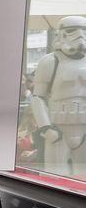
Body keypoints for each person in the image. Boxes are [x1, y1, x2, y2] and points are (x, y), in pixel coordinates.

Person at [31, 15, 86, 170]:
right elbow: (38, 97)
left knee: (82, 177)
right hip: (58, 129)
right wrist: (45, 127)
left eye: (84, 30)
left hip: (83, 127)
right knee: (55, 174)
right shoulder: (50, 61)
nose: (80, 35)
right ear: (61, 33)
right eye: (72, 30)